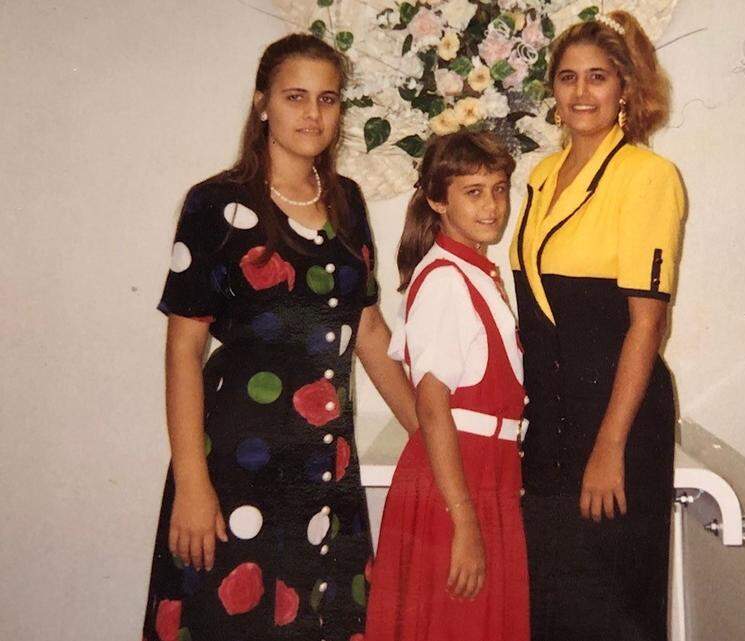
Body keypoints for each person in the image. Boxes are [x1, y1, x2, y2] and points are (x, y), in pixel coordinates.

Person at [142, 33, 417, 641]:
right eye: (296, 97)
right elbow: (185, 350)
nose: (313, 114)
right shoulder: (216, 205)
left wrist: (432, 437)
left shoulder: (346, 202)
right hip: (238, 468)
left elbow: (370, 333)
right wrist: (192, 482)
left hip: (325, 469)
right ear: (263, 102)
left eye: (328, 99)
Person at [508, 10, 685, 641]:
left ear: (625, 90)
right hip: (553, 420)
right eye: (568, 78)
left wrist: (609, 447)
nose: (582, 92)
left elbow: (647, 326)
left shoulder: (647, 176)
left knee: (611, 608)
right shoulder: (540, 176)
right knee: (552, 601)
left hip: (618, 418)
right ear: (552, 92)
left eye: (598, 77)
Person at [364, 132, 529, 641]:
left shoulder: (476, 271)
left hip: (488, 473)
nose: (492, 205)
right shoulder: (443, 281)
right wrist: (464, 522)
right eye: (473, 192)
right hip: (458, 481)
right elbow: (432, 409)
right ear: (437, 199)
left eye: (499, 189)